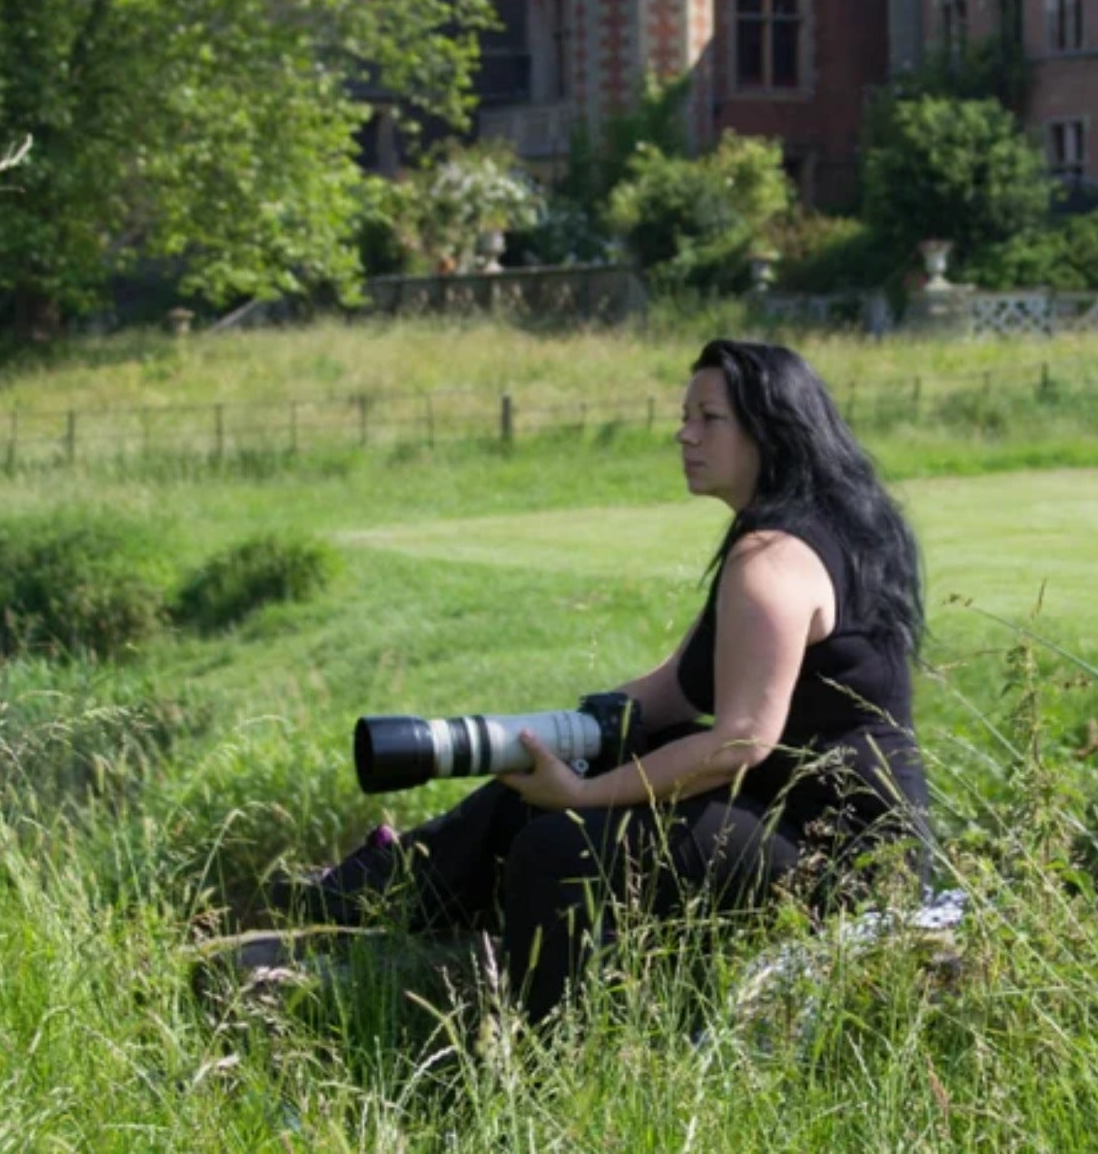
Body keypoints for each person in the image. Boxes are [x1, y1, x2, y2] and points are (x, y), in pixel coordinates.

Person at [292, 339, 931, 1024]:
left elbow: (738, 742)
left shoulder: (770, 560)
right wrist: (544, 737)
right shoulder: (808, 531)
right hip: (788, 816)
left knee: (561, 844)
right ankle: (371, 895)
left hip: (842, 859)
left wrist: (586, 792)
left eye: (708, 418)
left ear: (769, 426)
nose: (684, 434)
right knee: (556, 781)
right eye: (684, 415)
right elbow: (676, 691)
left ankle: (545, 1063)